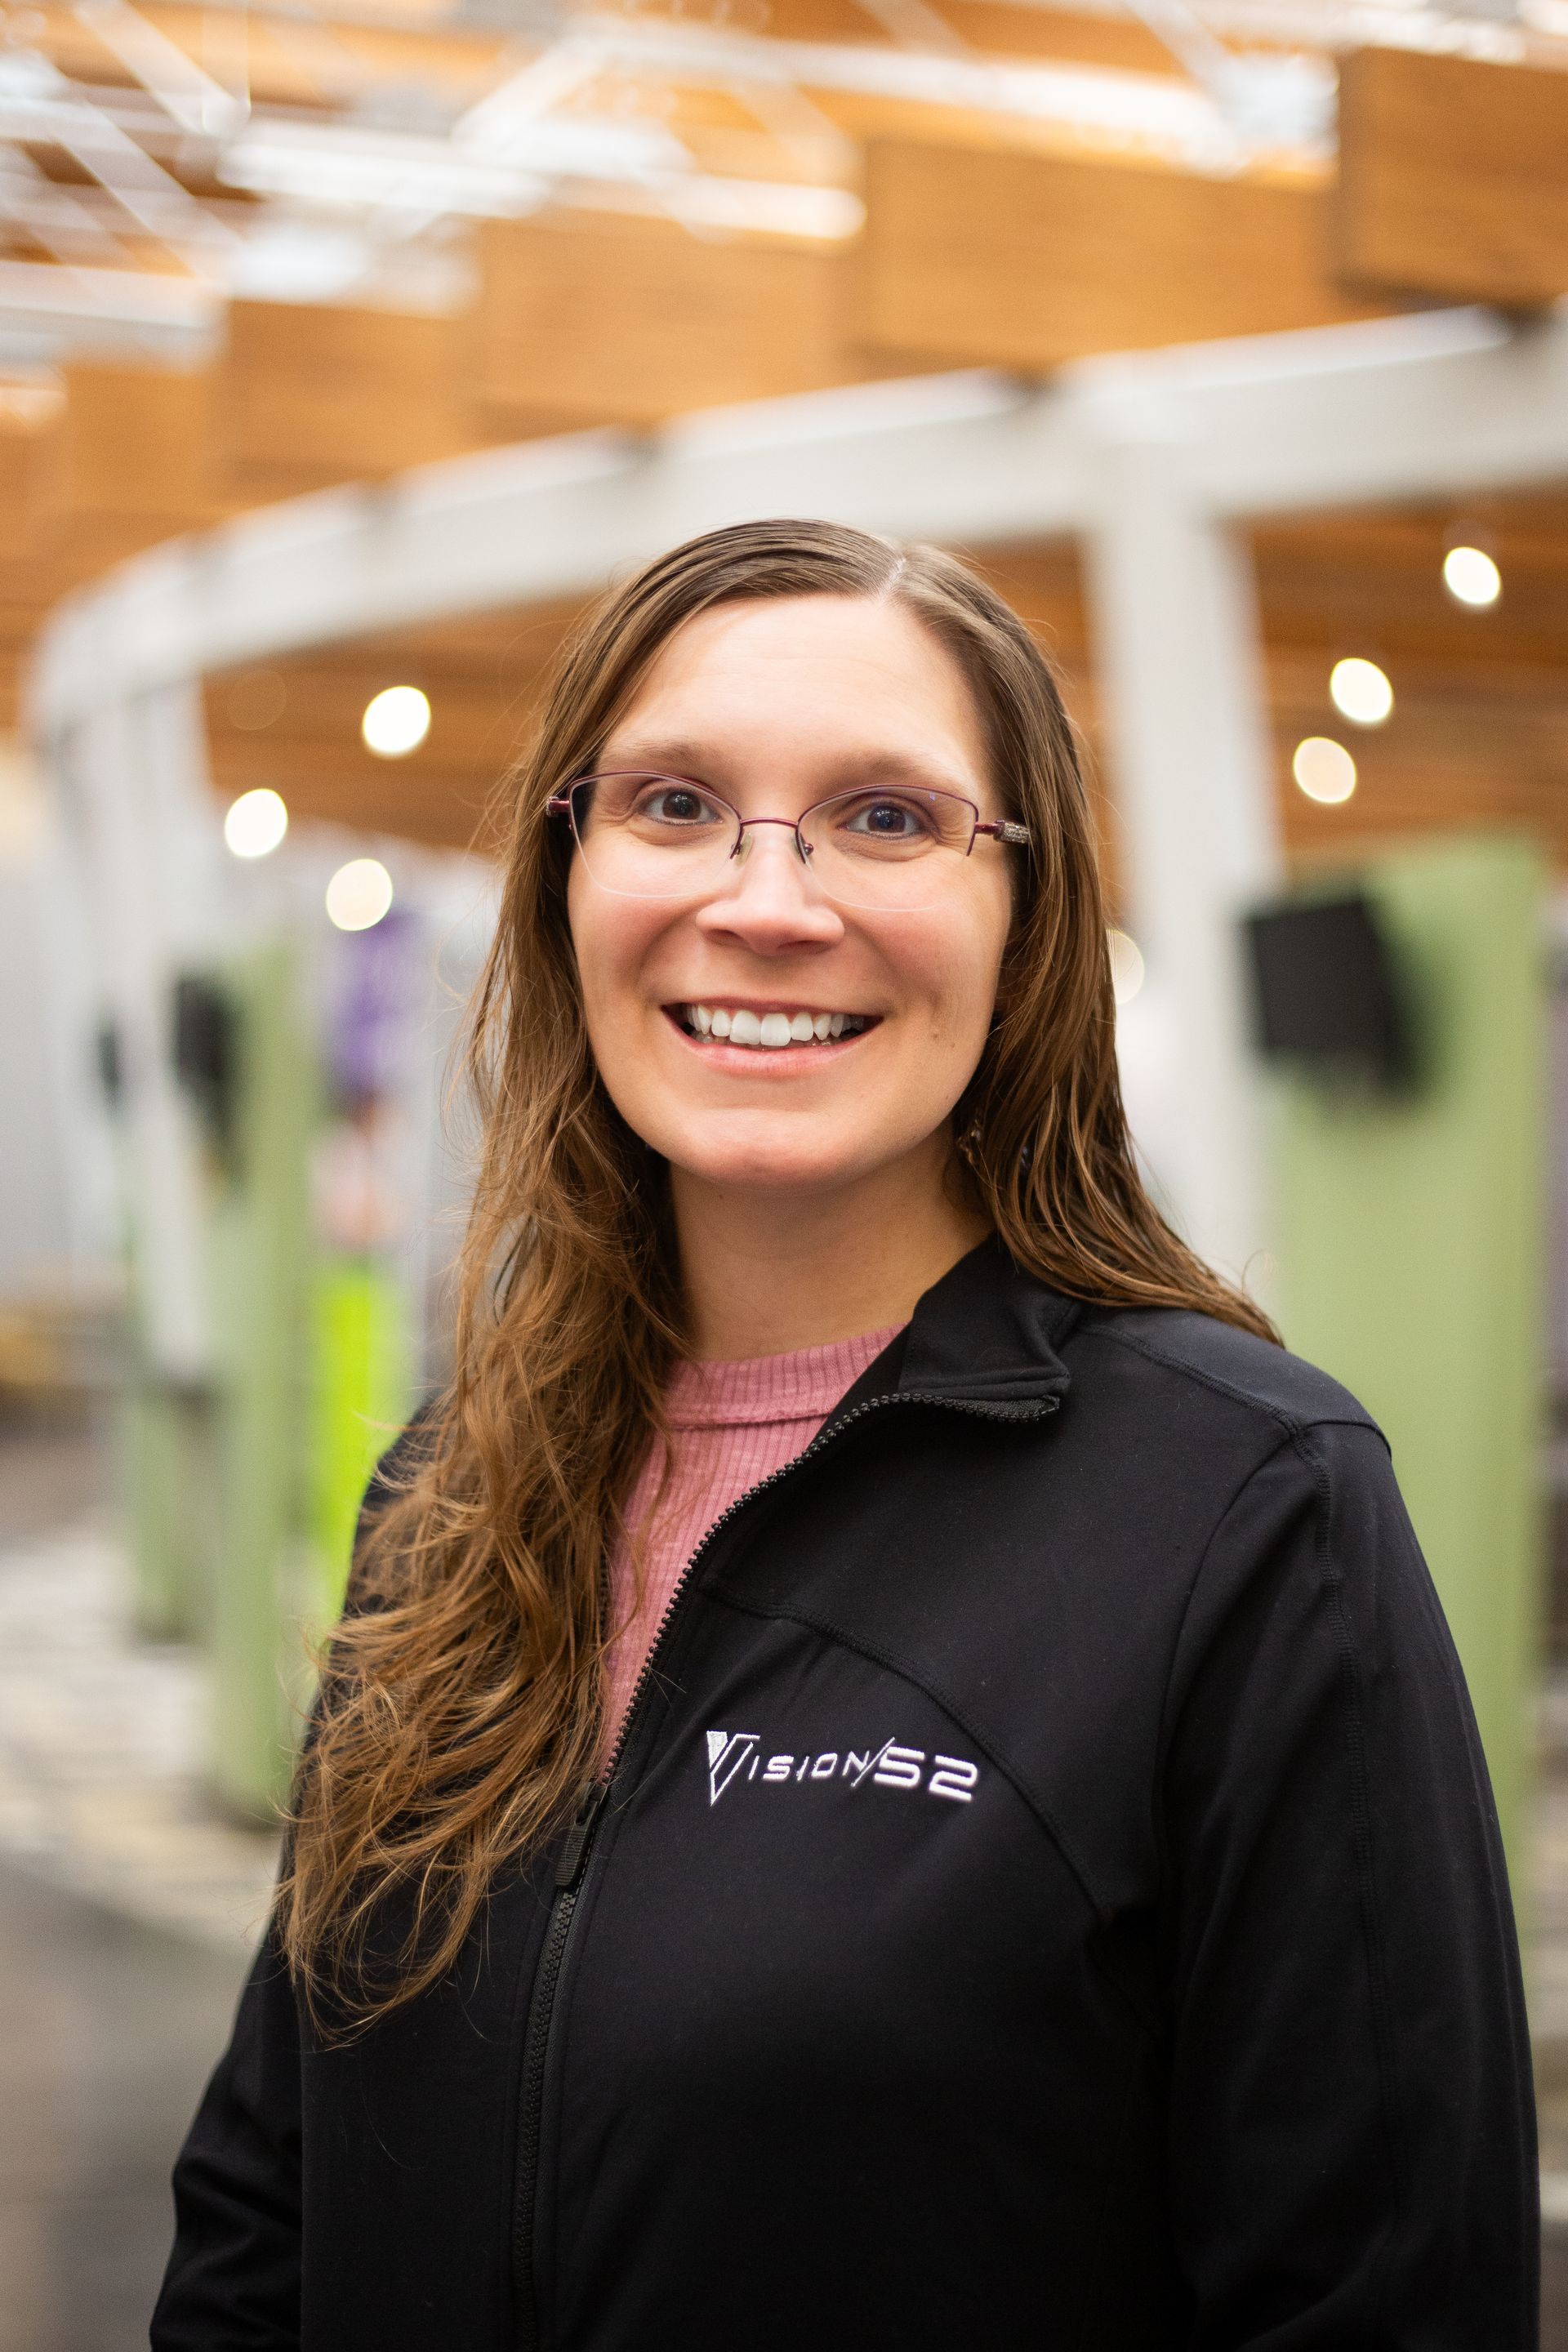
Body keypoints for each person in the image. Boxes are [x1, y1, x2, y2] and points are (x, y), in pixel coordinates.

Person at [154, 520, 1536, 2351]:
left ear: (1028, 920)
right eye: (673, 803)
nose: (768, 898)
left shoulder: (1246, 1511)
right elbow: (273, 2196)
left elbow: (1379, 2299)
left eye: (887, 818)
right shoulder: (453, 1487)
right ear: (569, 882)